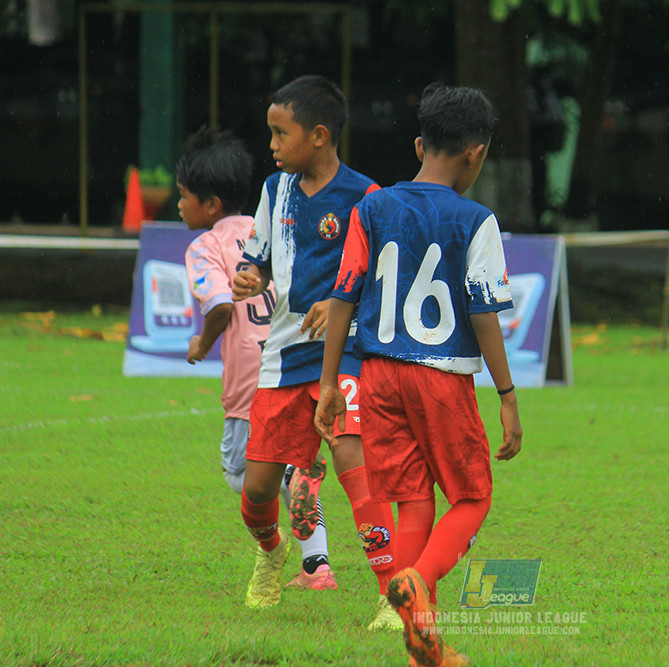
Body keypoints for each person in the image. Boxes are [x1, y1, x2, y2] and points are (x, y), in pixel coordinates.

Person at [315, 83, 523, 667]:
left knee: (414, 503)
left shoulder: (372, 206)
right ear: (476, 153)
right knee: (473, 497)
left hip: (377, 375)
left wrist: (331, 383)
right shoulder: (476, 219)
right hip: (439, 378)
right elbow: (482, 312)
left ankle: (421, 648)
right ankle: (416, 583)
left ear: (418, 144)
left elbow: (344, 295)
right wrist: (506, 394)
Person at [231, 76, 398, 626]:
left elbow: (386, 276)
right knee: (256, 491)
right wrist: (249, 276)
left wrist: (341, 300)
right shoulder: (274, 190)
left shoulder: (366, 197)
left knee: (353, 463)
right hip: (282, 356)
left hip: (344, 354)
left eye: (281, 133)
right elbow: (257, 255)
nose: (273, 145)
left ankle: (392, 592)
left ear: (319, 136)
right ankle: (272, 549)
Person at [178, 125, 339, 593]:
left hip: (253, 377)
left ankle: (287, 507)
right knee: (290, 461)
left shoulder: (205, 246)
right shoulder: (270, 225)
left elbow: (220, 305)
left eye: (183, 196)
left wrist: (203, 343)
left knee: (240, 473)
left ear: (209, 205)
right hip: (298, 360)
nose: (179, 205)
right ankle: (317, 566)